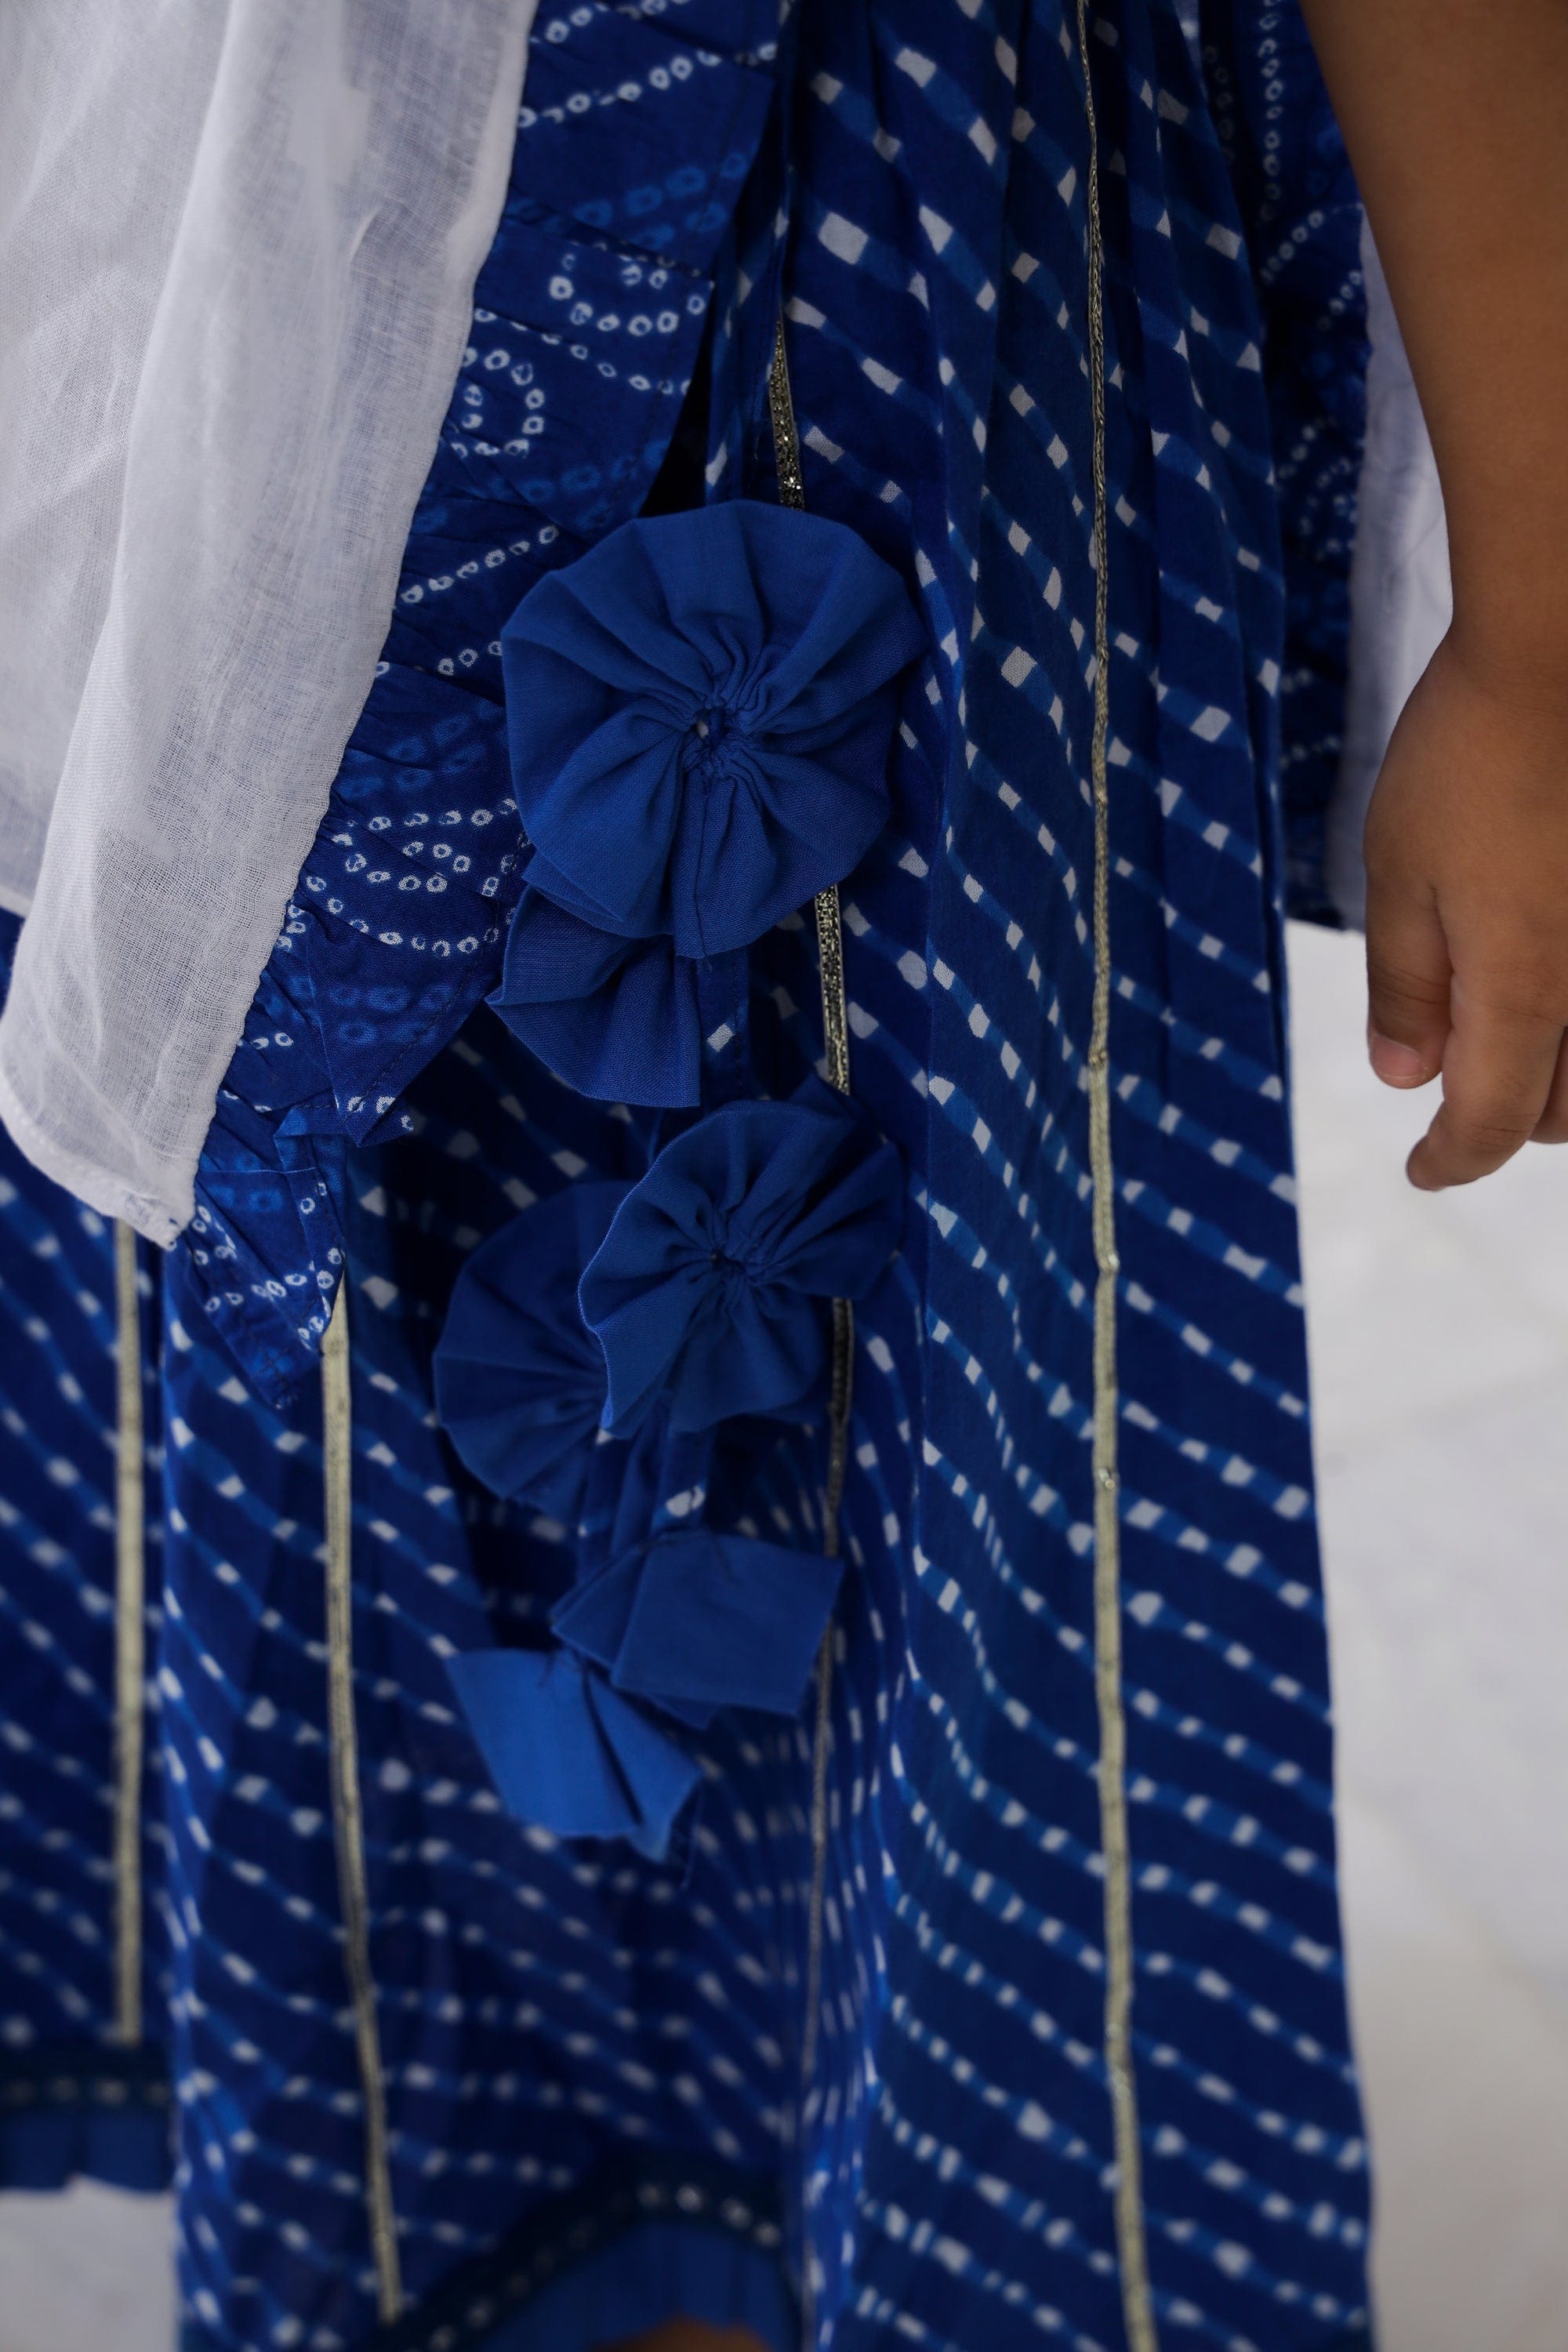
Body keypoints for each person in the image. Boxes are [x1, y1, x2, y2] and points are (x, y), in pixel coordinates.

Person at [0, 4, 1548, 2350]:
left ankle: (829, 2216)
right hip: (270, 309)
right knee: (348, 1414)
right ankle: (538, 2228)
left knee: (929, 1429)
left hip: (888, 320)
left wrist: (1541, 623)